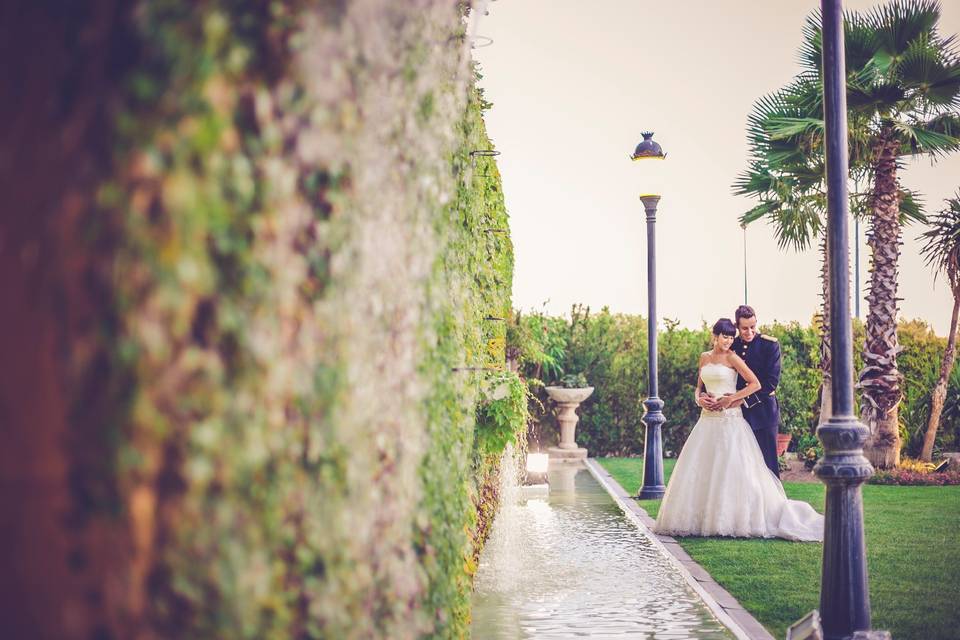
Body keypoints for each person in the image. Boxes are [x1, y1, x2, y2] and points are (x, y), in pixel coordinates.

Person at [653, 318, 823, 541]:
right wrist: (699, 400)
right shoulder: (704, 357)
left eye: (731, 336)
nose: (728, 340)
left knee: (732, 469)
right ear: (714, 336)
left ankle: (733, 519)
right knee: (703, 469)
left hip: (730, 418)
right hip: (706, 420)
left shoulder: (733, 357)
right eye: (725, 336)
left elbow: (756, 384)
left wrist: (730, 399)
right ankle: (701, 518)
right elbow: (698, 387)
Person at [701, 305, 781, 478]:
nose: (750, 332)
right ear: (737, 326)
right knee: (743, 469)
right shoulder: (732, 345)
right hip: (736, 416)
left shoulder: (769, 345)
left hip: (763, 413)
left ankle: (775, 505)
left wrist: (740, 399)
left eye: (753, 326)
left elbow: (770, 383)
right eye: (745, 328)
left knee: (768, 467)